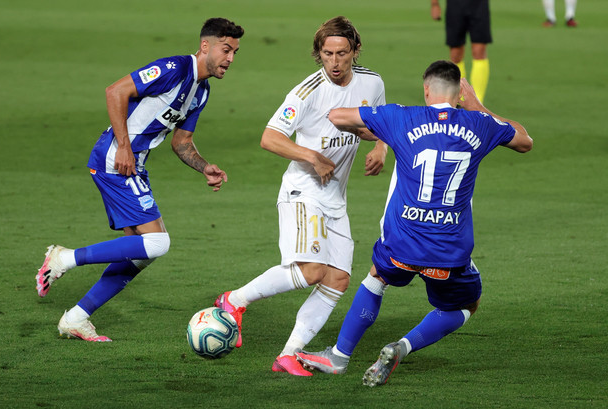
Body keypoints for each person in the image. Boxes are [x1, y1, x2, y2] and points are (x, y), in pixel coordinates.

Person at [296, 60, 533, 386]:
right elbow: (524, 140)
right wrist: (478, 105)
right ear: (459, 93)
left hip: (403, 244)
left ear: (426, 89)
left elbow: (337, 117)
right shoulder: (480, 124)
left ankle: (339, 356)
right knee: (467, 304)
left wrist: (374, 131)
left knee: (377, 277)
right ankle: (402, 346)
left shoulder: (401, 117)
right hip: (449, 250)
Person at [35, 18, 244, 342]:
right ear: (206, 46)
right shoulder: (174, 68)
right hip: (115, 161)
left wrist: (204, 167)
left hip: (132, 166)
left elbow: (182, 142)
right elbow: (116, 91)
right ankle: (64, 257)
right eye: (226, 50)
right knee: (158, 243)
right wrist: (123, 146)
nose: (230, 59)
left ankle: (76, 318)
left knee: (141, 254)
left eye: (235, 53)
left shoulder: (200, 92)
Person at [213, 16, 388, 376]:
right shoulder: (306, 92)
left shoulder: (372, 81)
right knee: (311, 271)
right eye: (327, 54)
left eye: (342, 53)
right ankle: (234, 300)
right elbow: (269, 137)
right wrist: (311, 156)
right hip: (302, 192)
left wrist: (381, 149)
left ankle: (289, 354)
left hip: (335, 198)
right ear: (318, 54)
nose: (335, 62)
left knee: (337, 279)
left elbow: (381, 120)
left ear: (355, 51)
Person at [431, 0, 491, 104]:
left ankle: (477, 102)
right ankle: (460, 98)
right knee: (456, 54)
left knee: (479, 50)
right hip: (455, 5)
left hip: (479, 5)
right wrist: (435, 4)